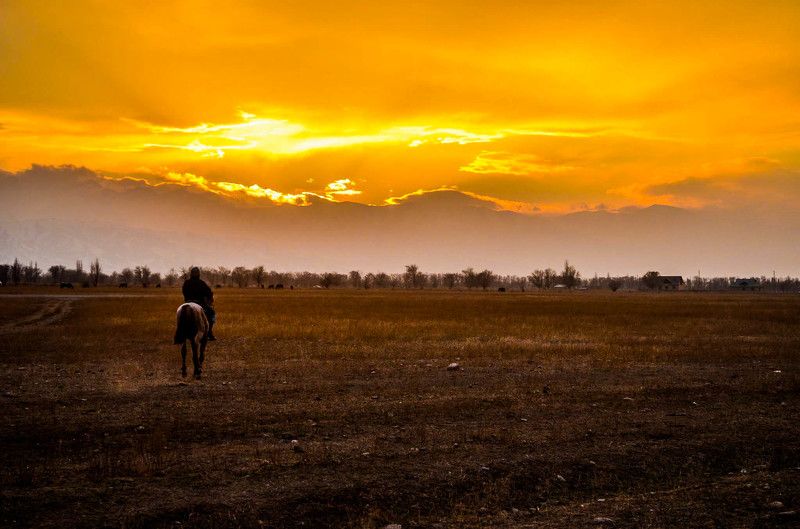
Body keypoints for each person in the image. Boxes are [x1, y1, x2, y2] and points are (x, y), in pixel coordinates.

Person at [182, 267, 216, 340]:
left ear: (191, 274)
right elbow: (209, 293)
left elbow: (184, 293)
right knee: (212, 312)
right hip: (199, 303)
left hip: (187, 303)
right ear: (199, 274)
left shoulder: (186, 283)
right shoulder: (201, 283)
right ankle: (209, 333)